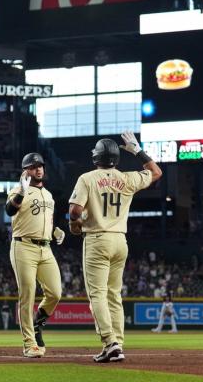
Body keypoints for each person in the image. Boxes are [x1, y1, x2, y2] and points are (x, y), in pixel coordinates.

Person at [68, 131, 162, 363]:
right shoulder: (127, 178)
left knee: (97, 294)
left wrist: (75, 225)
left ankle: (110, 342)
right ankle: (117, 344)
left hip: (97, 239)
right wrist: (137, 151)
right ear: (116, 158)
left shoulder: (87, 178)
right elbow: (156, 172)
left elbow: (74, 211)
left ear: (95, 157)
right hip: (120, 240)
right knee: (114, 295)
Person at [5, 152, 65, 358]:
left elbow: (44, 220)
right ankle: (29, 343)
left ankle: (38, 324)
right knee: (27, 294)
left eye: (40, 165)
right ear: (25, 171)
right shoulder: (17, 190)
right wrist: (21, 191)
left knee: (55, 293)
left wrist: (55, 231)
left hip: (45, 248)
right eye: (33, 166)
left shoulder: (48, 195)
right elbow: (9, 210)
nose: (38, 169)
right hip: (23, 246)